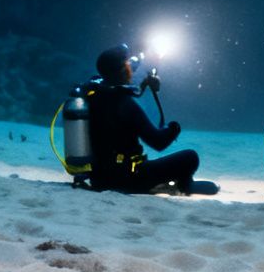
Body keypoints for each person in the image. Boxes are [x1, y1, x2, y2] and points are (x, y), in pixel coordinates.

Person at [86, 43, 206, 194]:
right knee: (190, 157)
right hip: (128, 179)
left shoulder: (93, 95)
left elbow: (127, 90)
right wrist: (173, 128)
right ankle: (184, 184)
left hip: (99, 178)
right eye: (127, 64)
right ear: (123, 70)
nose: (131, 66)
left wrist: (144, 84)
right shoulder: (125, 104)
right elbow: (158, 142)